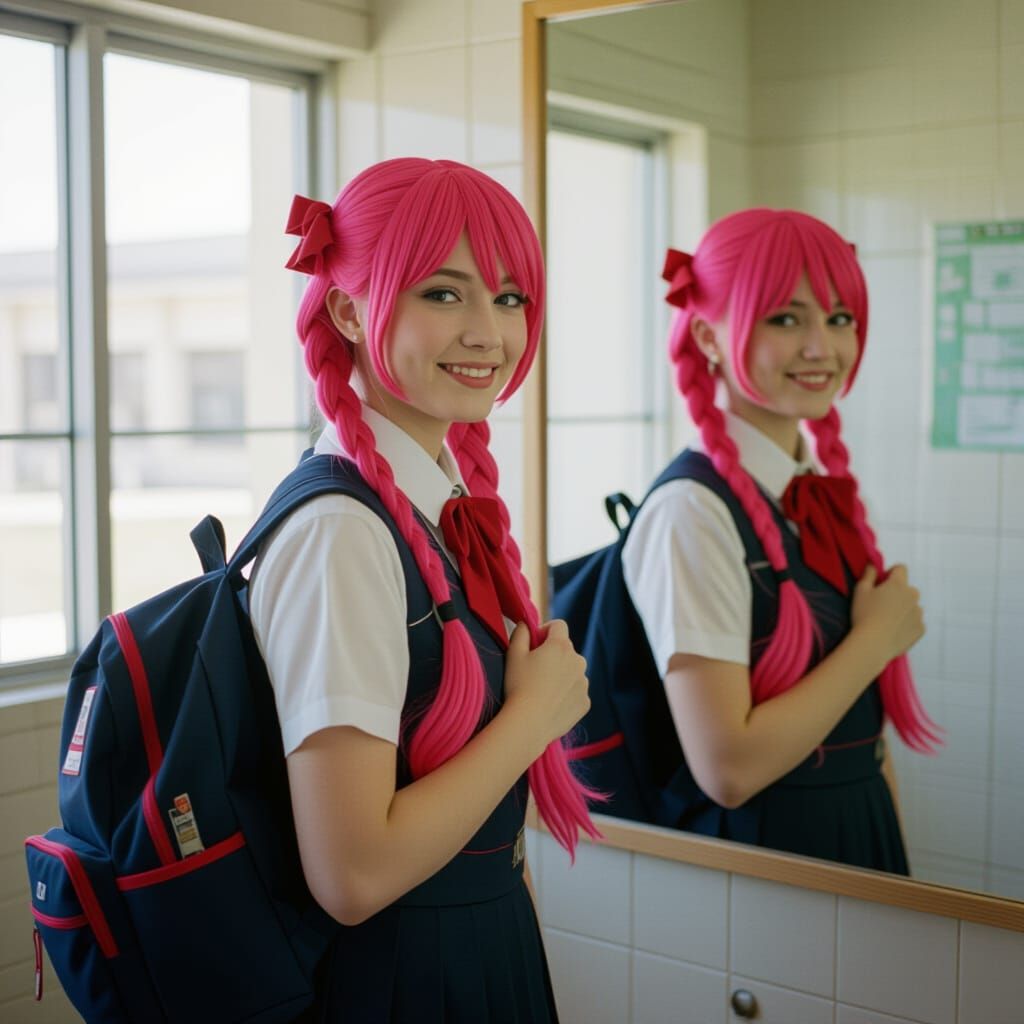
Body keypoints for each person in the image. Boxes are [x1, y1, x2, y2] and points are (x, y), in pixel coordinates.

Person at [249, 157, 599, 1022]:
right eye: (445, 294)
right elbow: (353, 874)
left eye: (510, 298)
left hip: (470, 947)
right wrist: (534, 716)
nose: (489, 332)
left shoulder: (428, 502)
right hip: (398, 977)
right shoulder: (342, 534)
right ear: (347, 309)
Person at [620, 207, 940, 872]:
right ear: (708, 336)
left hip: (857, 836)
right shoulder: (691, 513)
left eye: (839, 318)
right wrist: (875, 640)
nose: (822, 346)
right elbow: (727, 768)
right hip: (764, 863)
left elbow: (860, 735)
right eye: (786, 318)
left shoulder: (820, 497)